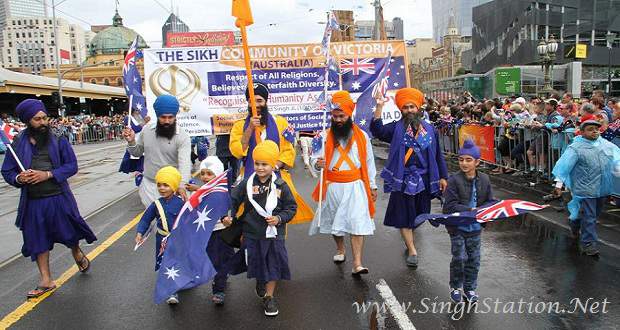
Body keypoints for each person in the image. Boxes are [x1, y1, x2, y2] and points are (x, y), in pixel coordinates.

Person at [1, 99, 97, 298]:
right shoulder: (18, 143)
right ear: (28, 121)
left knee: (69, 233)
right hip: (33, 202)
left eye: (45, 117)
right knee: (37, 240)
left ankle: (76, 251)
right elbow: (7, 171)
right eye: (37, 119)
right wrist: (19, 177)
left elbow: (71, 166)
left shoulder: (59, 137)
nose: (43, 122)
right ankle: (46, 279)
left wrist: (48, 175)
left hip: (59, 198)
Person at [370, 88, 448, 268]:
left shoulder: (429, 129)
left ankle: (409, 234)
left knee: (419, 214)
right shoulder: (395, 128)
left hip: (424, 178)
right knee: (404, 215)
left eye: (412, 106)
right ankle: (412, 249)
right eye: (405, 107)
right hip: (402, 178)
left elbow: (438, 155)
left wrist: (443, 176)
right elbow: (377, 129)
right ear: (401, 110)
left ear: (418, 108)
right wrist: (379, 106)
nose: (409, 110)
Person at [223, 140, 297, 317]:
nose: (260, 167)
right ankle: (260, 280)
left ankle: (269, 297)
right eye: (257, 163)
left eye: (265, 164)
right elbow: (232, 200)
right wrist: (228, 215)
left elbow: (291, 208)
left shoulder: (281, 186)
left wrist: (279, 218)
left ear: (273, 165)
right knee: (256, 262)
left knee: (273, 264)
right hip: (252, 233)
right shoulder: (246, 183)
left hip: (274, 234)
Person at [308, 91, 378, 275]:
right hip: (332, 186)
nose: (338, 120)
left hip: (355, 186)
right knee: (334, 222)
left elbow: (369, 162)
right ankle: (340, 249)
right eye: (335, 116)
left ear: (349, 115)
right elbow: (313, 163)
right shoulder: (321, 137)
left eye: (342, 116)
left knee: (357, 222)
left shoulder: (362, 136)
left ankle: (357, 263)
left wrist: (372, 185)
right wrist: (317, 164)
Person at [229, 82, 313, 223]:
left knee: (277, 222)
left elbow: (289, 150)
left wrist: (274, 167)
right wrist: (249, 129)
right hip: (250, 178)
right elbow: (237, 152)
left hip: (276, 178)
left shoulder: (281, 123)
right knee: (249, 223)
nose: (256, 105)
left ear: (266, 101)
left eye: (259, 100)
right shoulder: (239, 126)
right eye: (251, 101)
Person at [552, 115, 620, 256]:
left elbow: (616, 159)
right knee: (589, 216)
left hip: (602, 188)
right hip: (585, 188)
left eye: (596, 129)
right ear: (582, 132)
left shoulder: (605, 144)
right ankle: (588, 243)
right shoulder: (576, 148)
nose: (595, 132)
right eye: (590, 129)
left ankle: (574, 222)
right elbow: (564, 167)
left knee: (592, 214)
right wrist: (558, 185)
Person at [442, 140, 495, 303]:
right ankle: (456, 287)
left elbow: (490, 201)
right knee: (459, 258)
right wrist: (469, 210)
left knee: (474, 259)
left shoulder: (485, 179)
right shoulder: (454, 180)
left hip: (475, 227)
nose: (464, 163)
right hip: (457, 227)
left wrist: (489, 209)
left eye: (468, 160)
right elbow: (449, 206)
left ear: (477, 162)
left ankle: (470, 288)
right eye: (461, 159)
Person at [123, 94, 191, 207]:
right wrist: (131, 141)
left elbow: (185, 164)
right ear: (157, 115)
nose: (167, 121)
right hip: (150, 187)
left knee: (172, 223)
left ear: (175, 116)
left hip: (173, 188)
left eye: (171, 117)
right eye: (163, 117)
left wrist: (182, 185)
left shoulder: (183, 136)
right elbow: (137, 152)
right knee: (153, 222)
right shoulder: (147, 130)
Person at [186, 156, 235, 305]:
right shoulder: (199, 193)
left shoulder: (224, 191)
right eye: (203, 173)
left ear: (218, 175)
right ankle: (219, 284)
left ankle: (220, 284)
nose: (205, 177)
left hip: (223, 232)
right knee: (214, 260)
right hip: (207, 233)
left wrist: (229, 220)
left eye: (209, 174)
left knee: (222, 261)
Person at [135, 166, 184, 304]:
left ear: (174, 186)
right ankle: (172, 292)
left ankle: (182, 281)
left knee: (178, 263)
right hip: (162, 240)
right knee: (166, 264)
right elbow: (146, 219)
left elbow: (188, 220)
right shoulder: (156, 204)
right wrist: (140, 233)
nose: (162, 188)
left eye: (166, 185)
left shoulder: (181, 203)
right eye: (159, 185)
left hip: (178, 240)